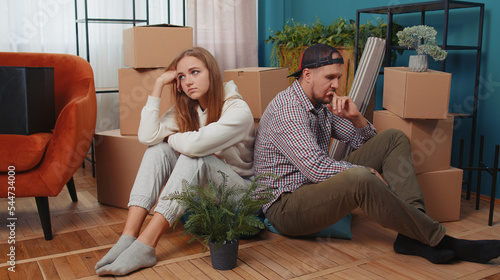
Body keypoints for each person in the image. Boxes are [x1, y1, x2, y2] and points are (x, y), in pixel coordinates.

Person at [254, 43, 500, 264]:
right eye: (330, 77)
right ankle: (439, 239)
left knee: (393, 138)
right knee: (359, 178)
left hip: (313, 187)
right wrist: (365, 171)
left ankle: (412, 235)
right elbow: (316, 168)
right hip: (285, 206)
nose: (337, 86)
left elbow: (371, 143)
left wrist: (357, 117)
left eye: (339, 78)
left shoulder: (321, 104)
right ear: (307, 75)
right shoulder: (288, 110)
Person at [95, 47, 255, 275]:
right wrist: (159, 83)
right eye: (181, 76)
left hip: (241, 199)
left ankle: (146, 245)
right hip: (210, 197)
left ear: (212, 72)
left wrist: (172, 136)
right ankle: (128, 236)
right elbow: (147, 136)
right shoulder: (190, 108)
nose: (188, 81)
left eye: (195, 72)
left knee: (194, 158)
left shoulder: (238, 110)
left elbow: (193, 147)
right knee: (157, 149)